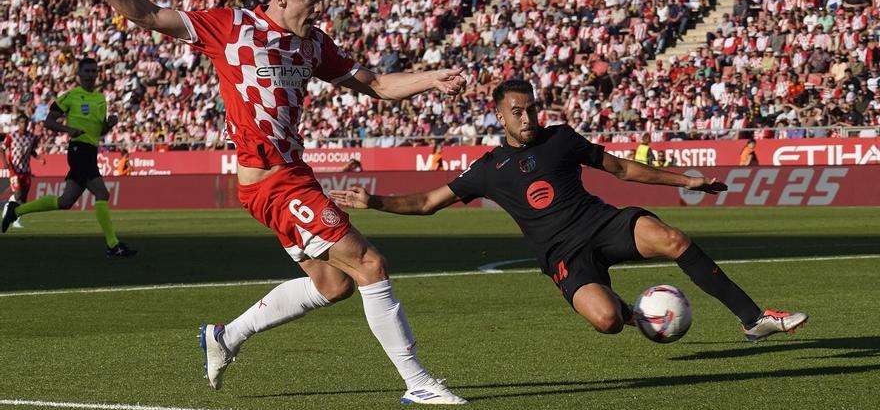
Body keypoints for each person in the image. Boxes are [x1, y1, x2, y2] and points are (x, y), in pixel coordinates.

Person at [70, 0, 466, 404]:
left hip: (293, 176)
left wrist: (431, 78)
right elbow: (152, 15)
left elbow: (376, 84)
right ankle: (418, 383)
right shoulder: (233, 26)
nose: (319, 8)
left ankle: (225, 336)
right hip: (273, 183)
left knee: (333, 284)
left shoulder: (313, 44)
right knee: (369, 263)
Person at [331, 81, 808, 343]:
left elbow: (622, 169)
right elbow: (427, 203)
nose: (528, 117)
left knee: (675, 239)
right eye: (518, 111)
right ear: (499, 115)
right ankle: (638, 313)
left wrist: (687, 180)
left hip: (603, 223)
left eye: (533, 108)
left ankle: (753, 318)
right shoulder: (488, 169)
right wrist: (375, 201)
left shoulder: (561, 138)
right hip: (563, 254)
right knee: (606, 322)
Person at [2, 59, 135, 258]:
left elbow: (98, 132)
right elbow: (48, 122)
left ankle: (15, 211)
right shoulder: (71, 96)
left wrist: (110, 125)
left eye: (94, 71)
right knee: (102, 193)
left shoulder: (100, 99)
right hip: (78, 150)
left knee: (65, 201)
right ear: (79, 75)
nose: (91, 74)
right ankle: (113, 244)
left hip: (90, 150)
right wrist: (68, 129)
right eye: (87, 71)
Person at [1, 115, 45, 229]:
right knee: (18, 193)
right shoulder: (12, 135)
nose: (23, 124)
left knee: (23, 197)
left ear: (28, 123)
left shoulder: (31, 137)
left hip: (26, 170)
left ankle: (16, 220)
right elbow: (2, 148)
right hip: (14, 169)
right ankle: (7, 208)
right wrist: (5, 162)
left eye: (25, 122)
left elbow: (32, 151)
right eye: (21, 122)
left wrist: (39, 158)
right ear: (18, 123)